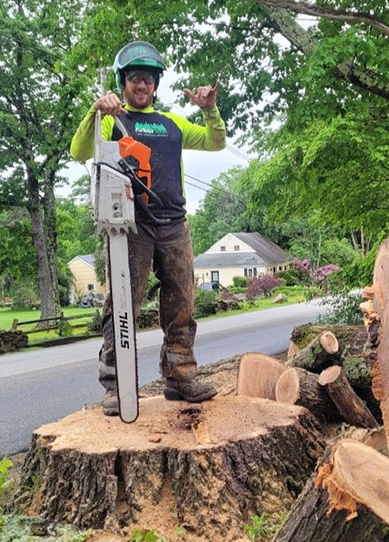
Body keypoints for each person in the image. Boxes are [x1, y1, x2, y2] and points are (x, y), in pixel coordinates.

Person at [70, 40, 226, 414]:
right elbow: (79, 152)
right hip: (130, 228)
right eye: (134, 78)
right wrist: (95, 111)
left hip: (174, 225)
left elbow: (216, 142)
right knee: (122, 304)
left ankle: (179, 376)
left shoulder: (171, 124)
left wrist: (210, 110)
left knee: (182, 301)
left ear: (156, 84)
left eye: (148, 79)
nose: (141, 86)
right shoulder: (112, 120)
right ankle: (115, 385)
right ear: (124, 82)